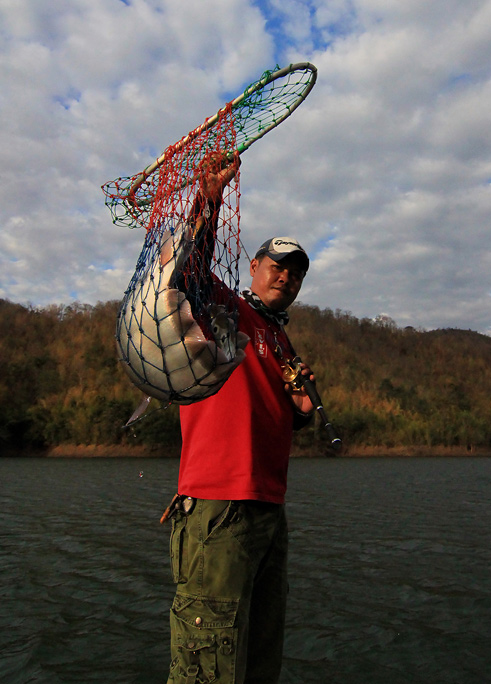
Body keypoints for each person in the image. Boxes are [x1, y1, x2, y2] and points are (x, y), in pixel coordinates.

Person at [166, 154, 315, 684]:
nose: (286, 275)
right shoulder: (228, 310)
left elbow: (276, 415)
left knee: (257, 657)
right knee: (206, 665)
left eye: (295, 271)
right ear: (253, 268)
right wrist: (208, 201)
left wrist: (302, 408)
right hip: (218, 506)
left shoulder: (281, 338)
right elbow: (184, 275)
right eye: (276, 264)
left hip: (269, 511)